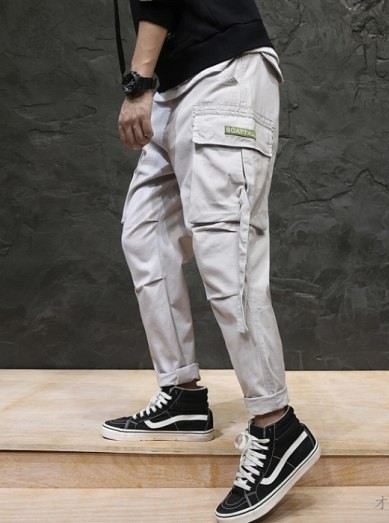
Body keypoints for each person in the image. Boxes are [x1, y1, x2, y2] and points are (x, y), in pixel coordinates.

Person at [102, 1, 320, 521]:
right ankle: (181, 396)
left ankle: (277, 425)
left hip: (223, 75)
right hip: (176, 86)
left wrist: (138, 82)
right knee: (146, 234)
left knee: (227, 255)